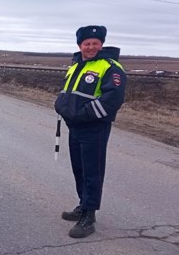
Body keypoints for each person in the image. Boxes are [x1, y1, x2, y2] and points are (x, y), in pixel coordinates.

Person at [55, 25, 126, 238]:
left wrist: (83, 114)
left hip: (94, 127)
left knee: (92, 172)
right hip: (75, 126)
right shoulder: (76, 65)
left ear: (101, 44)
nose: (91, 47)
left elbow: (112, 99)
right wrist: (61, 105)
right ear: (80, 45)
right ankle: (83, 205)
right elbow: (67, 91)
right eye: (87, 43)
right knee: (80, 169)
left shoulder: (110, 67)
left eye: (95, 43)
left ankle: (89, 215)